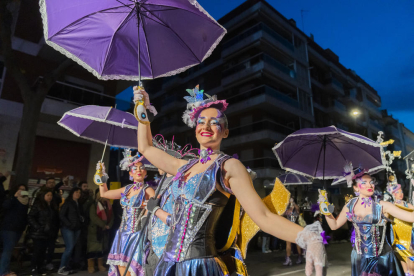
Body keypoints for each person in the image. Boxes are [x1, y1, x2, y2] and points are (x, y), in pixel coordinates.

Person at [135, 85, 326, 276]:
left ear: (225, 132)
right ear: (195, 130)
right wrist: (142, 108)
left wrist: (309, 238)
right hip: (166, 267)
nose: (206, 126)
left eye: (214, 122)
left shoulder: (229, 166)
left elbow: (264, 217)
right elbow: (145, 148)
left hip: (199, 268)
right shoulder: (182, 166)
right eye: (201, 121)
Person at [319, 163, 414, 276]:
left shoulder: (383, 205)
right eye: (364, 183)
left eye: (371, 182)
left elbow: (411, 217)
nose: (370, 185)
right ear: (355, 187)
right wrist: (325, 210)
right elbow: (334, 225)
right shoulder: (351, 205)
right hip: (359, 259)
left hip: (382, 259)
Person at [145, 135, 198, 275]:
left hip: (169, 251)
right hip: (153, 246)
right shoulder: (162, 184)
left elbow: (179, 220)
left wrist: (155, 210)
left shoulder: (180, 184)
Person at [98, 149, 155, 276]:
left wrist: (148, 210)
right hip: (122, 235)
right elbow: (104, 193)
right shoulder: (127, 189)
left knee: (132, 271)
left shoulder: (148, 190)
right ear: (130, 173)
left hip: (137, 235)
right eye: (135, 168)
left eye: (142, 168)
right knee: (120, 270)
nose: (139, 170)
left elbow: (155, 209)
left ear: (145, 172)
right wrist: (101, 175)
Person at [28, 189, 60, 276]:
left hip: (48, 232)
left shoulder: (52, 206)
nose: (50, 197)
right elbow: (31, 216)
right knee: (37, 251)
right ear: (43, 196)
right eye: (48, 195)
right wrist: (38, 227)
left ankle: (40, 267)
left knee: (43, 251)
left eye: (51, 195)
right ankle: (33, 268)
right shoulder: (38, 205)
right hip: (39, 232)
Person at [0, 184, 29, 276]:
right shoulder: (12, 199)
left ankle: (7, 270)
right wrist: (14, 196)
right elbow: (5, 206)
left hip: (19, 228)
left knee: (10, 249)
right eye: (20, 189)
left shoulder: (25, 202)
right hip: (9, 228)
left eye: (24, 190)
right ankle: (3, 272)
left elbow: (24, 216)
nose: (22, 191)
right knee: (7, 250)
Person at [386, 182, 414, 275]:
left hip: (409, 237)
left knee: (411, 257)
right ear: (393, 194)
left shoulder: (408, 205)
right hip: (398, 237)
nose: (400, 194)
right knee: (402, 257)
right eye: (397, 192)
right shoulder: (390, 207)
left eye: (401, 191)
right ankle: (406, 273)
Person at [58, 187, 85, 275]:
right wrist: (69, 224)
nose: (78, 194)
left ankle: (66, 266)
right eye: (76, 192)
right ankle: (61, 268)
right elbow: (62, 215)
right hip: (68, 228)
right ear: (72, 193)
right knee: (69, 248)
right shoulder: (68, 203)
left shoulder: (78, 204)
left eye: (79, 192)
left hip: (76, 228)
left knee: (71, 248)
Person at [87, 189, 113, 273]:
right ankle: (90, 266)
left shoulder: (108, 205)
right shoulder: (94, 205)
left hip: (105, 229)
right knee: (93, 248)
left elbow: (112, 216)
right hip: (95, 229)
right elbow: (93, 217)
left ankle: (100, 265)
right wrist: (103, 225)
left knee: (102, 248)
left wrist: (109, 225)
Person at [73, 181, 94, 270]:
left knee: (84, 244)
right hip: (79, 224)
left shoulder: (89, 197)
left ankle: (82, 262)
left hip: (86, 223)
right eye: (84, 186)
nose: (86, 188)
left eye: (87, 186)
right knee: (78, 245)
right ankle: (77, 262)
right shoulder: (80, 199)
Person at [282, 197, 303, 265]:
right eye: (289, 200)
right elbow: (282, 214)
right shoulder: (287, 208)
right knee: (288, 243)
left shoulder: (296, 209)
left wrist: (293, 203)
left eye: (291, 200)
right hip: (289, 227)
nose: (290, 201)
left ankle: (299, 257)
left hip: (295, 227)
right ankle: (288, 259)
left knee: (297, 242)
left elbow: (298, 209)